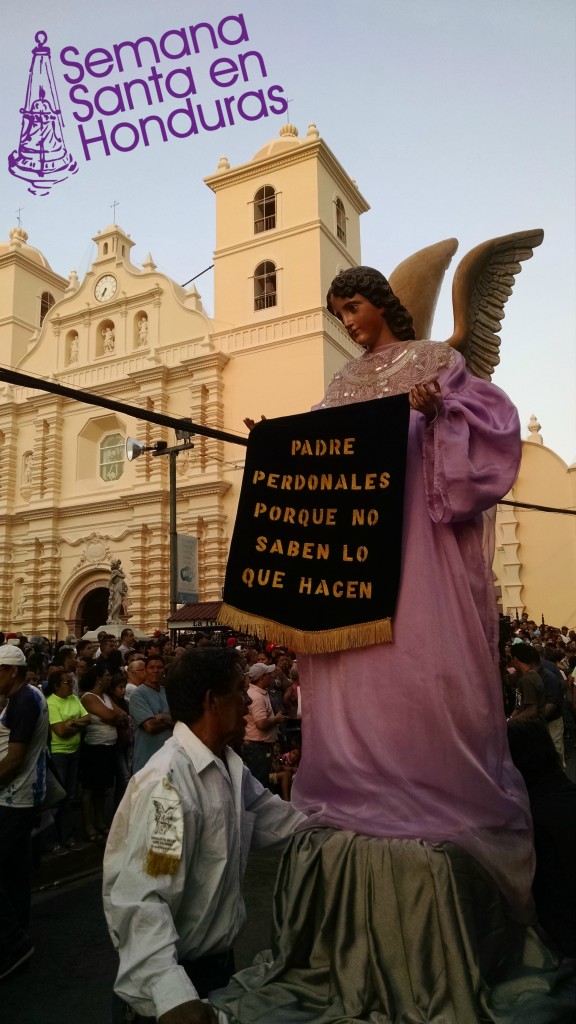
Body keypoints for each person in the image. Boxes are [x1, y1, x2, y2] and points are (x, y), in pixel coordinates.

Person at [103, 647, 306, 1023]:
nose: (247, 700)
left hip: (217, 970)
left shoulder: (230, 768)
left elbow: (275, 819)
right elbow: (144, 898)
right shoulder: (168, 784)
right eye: (238, 689)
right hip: (175, 988)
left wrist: (345, 828)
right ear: (213, 701)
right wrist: (172, 996)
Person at [0, 644, 48, 978]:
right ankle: (19, 934)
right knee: (14, 872)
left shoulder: (25, 702)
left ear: (12, 671)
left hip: (15, 798)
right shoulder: (25, 697)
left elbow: (14, 760)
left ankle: (13, 943)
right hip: (19, 798)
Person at [79, 662, 129, 841]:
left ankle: (100, 821)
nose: (110, 678)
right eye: (107, 675)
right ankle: (89, 825)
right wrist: (115, 718)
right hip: (94, 748)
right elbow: (109, 716)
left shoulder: (107, 697)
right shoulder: (89, 697)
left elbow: (123, 715)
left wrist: (116, 718)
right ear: (99, 678)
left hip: (109, 747)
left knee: (102, 788)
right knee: (90, 788)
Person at [45, 667, 89, 848]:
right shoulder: (51, 703)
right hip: (59, 753)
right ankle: (53, 838)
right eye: (68, 683)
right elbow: (60, 731)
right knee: (58, 797)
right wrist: (76, 724)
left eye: (72, 682)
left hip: (74, 751)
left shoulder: (74, 698)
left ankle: (67, 835)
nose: (72, 685)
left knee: (69, 796)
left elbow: (87, 720)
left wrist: (72, 722)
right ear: (56, 686)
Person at [129, 655, 173, 773]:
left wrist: (163, 718)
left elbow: (181, 719)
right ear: (145, 670)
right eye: (151, 667)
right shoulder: (138, 695)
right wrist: (172, 721)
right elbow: (150, 726)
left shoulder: (167, 692)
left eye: (159, 667)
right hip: (147, 759)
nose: (156, 670)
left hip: (168, 759)